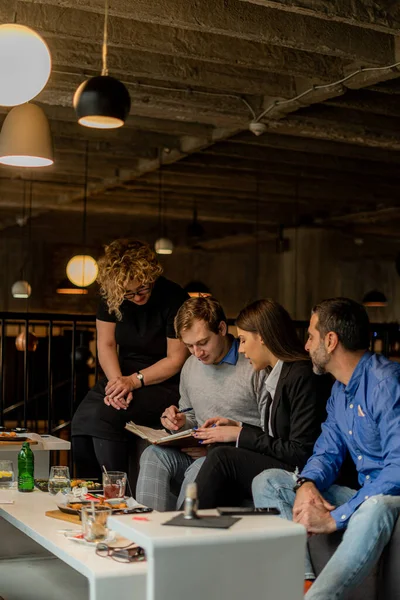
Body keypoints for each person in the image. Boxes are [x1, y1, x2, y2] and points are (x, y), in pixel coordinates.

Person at [252, 297, 400, 600]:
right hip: (363, 493)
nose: (306, 346)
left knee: (376, 505)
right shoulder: (339, 390)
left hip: (390, 497)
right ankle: (300, 583)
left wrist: (335, 517)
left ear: (330, 340)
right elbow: (326, 451)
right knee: (269, 481)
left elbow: (398, 470)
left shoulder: (386, 383)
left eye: (310, 336)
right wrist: (308, 483)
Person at [193, 298, 331, 509]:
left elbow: (301, 452)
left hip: (301, 470)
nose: (240, 349)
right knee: (220, 449)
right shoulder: (275, 373)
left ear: (263, 337)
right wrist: (239, 428)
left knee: (222, 458)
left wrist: (240, 435)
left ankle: (186, 528)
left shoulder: (302, 376)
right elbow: (278, 438)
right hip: (286, 462)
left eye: (244, 340)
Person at [135, 296, 269, 511]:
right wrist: (179, 422)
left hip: (233, 459)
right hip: (199, 451)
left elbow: (272, 432)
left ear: (222, 328)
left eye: (203, 342)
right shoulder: (190, 366)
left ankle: (180, 538)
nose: (197, 353)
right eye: (189, 346)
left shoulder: (255, 364)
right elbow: (192, 416)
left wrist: (218, 449)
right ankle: (145, 535)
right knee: (152, 455)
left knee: (201, 467)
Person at [71, 239, 189, 477]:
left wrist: (133, 382)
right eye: (129, 294)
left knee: (106, 416)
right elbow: (106, 344)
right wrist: (118, 384)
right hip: (122, 375)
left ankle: (116, 495)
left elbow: (176, 359)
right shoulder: (112, 296)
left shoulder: (173, 297)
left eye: (143, 289)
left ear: (151, 275)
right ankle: (88, 493)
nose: (136, 297)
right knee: (81, 421)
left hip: (163, 380)